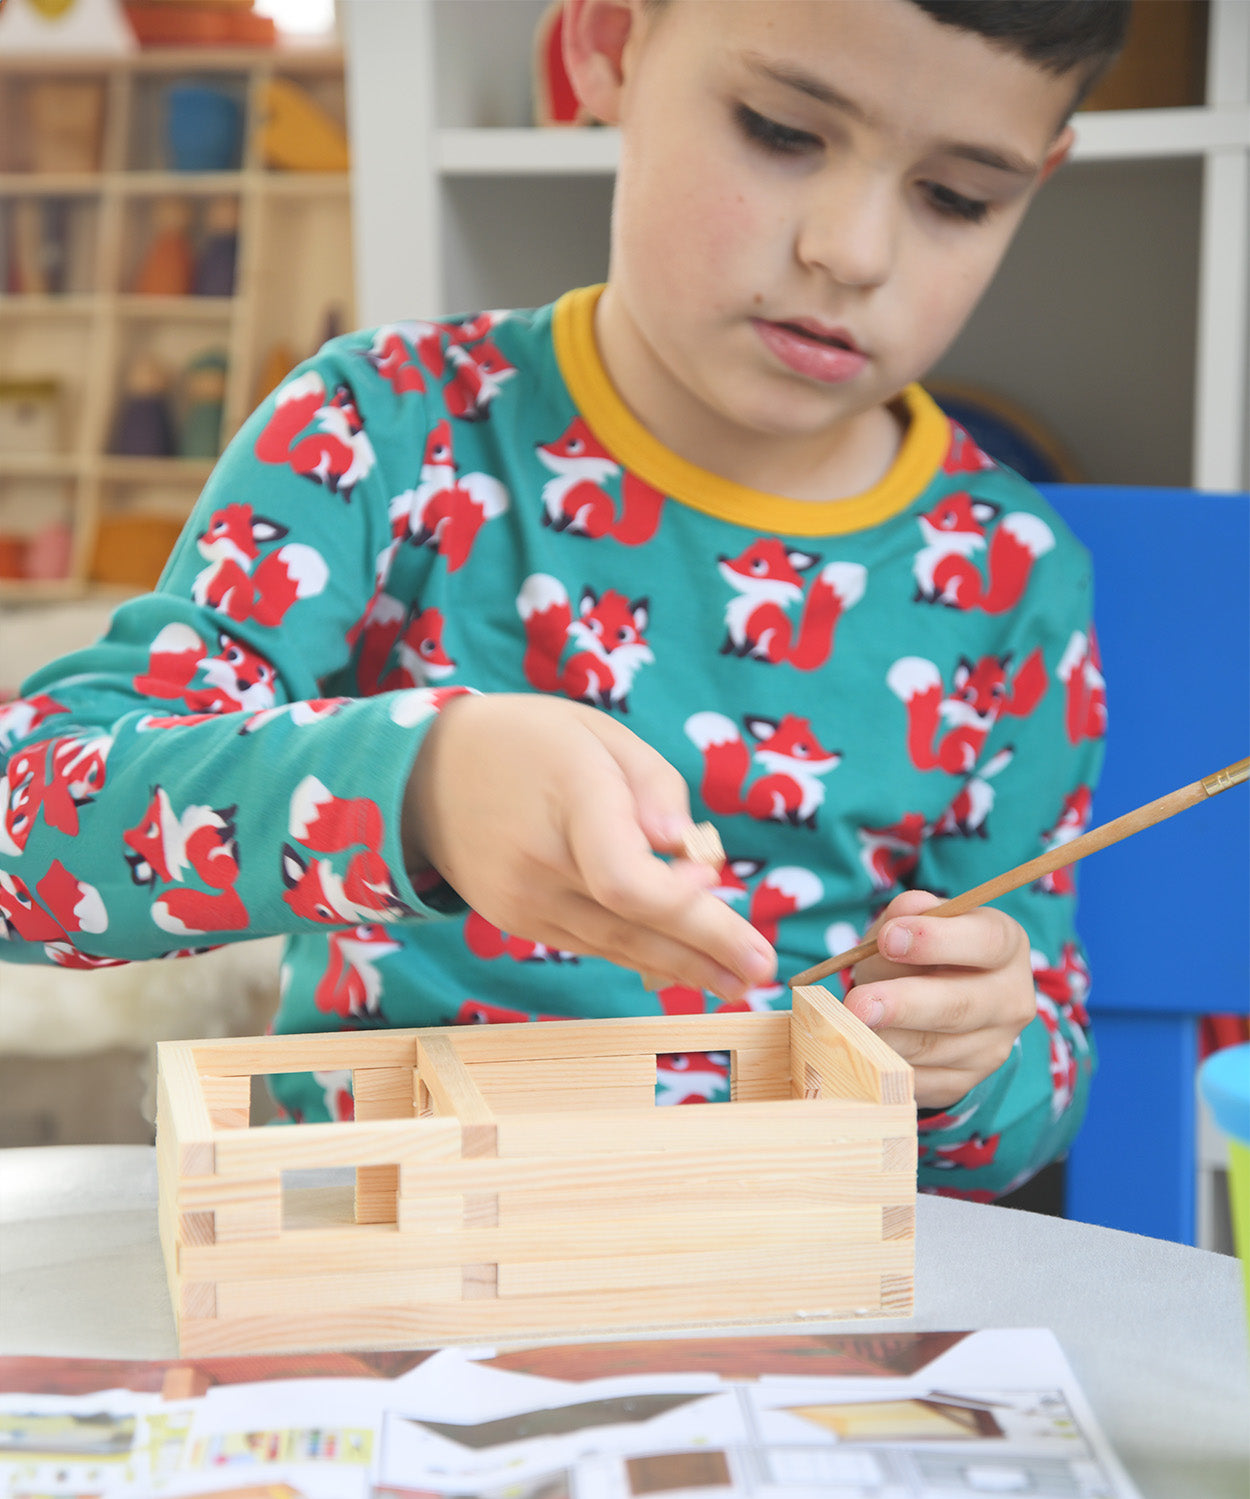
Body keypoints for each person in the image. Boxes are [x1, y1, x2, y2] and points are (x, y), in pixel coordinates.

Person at [0, 0, 1126, 1199]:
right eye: (779, 129)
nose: (850, 249)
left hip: (788, 1287)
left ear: (1038, 178)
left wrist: (967, 1061)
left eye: (957, 196)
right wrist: (420, 785)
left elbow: (1039, 1082)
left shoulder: (1010, 571)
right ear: (604, 46)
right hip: (373, 1267)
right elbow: (30, 839)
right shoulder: (381, 429)